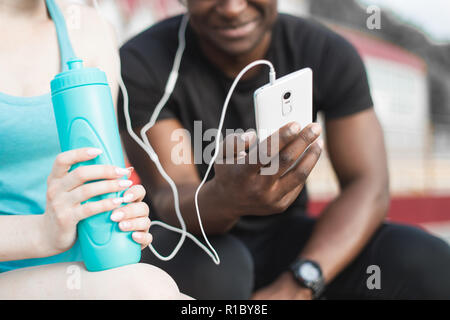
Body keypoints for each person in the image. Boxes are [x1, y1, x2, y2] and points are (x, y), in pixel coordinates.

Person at [118, 0, 450, 299]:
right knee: (220, 272)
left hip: (287, 241)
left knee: (425, 260)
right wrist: (228, 196)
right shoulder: (142, 61)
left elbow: (369, 185)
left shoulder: (326, 51)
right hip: (188, 242)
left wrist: (301, 282)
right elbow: (169, 198)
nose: (233, 8)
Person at [0, 0, 188, 300]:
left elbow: (104, 165)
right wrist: (42, 232)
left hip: (84, 270)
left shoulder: (90, 30)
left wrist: (122, 212)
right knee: (146, 289)